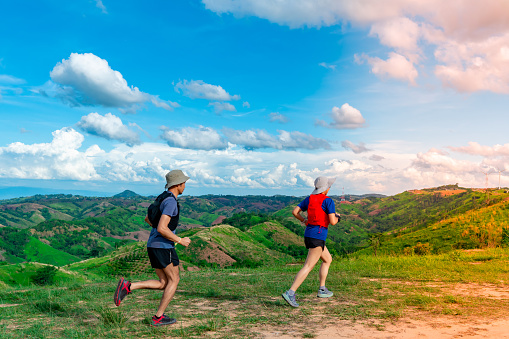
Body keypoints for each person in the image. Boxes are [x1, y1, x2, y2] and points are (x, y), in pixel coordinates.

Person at [113, 169, 192, 326]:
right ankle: (158, 317)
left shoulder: (162, 198)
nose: (185, 186)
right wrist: (179, 239)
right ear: (178, 184)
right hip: (163, 247)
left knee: (163, 283)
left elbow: (148, 219)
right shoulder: (171, 202)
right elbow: (162, 228)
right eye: (184, 183)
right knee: (174, 279)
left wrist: (160, 231)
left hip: (153, 244)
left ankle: (129, 286)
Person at [282, 176, 340, 307]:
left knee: (327, 259)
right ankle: (290, 293)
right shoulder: (328, 201)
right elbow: (332, 222)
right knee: (308, 266)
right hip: (318, 236)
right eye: (329, 186)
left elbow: (295, 212)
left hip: (309, 234)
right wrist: (338, 217)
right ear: (325, 188)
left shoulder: (309, 199)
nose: (329, 188)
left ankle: (322, 289)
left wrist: (304, 220)